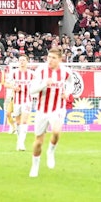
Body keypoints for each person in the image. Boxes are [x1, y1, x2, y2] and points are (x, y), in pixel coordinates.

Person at [28, 47, 72, 178]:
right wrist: (44, 84)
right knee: (38, 142)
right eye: (49, 57)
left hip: (58, 108)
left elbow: (71, 83)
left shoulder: (66, 71)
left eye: (53, 58)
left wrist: (67, 93)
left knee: (56, 132)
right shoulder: (41, 71)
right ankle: (35, 165)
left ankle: (51, 151)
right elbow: (31, 90)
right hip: (42, 110)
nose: (50, 60)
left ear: (60, 59)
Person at [7, 54, 36, 150]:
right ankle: (19, 141)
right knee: (18, 121)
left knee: (24, 121)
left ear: (27, 61)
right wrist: (13, 87)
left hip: (27, 100)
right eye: (20, 60)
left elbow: (38, 84)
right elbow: (6, 84)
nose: (22, 62)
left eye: (24, 60)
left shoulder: (32, 74)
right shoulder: (14, 73)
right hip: (16, 100)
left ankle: (21, 143)